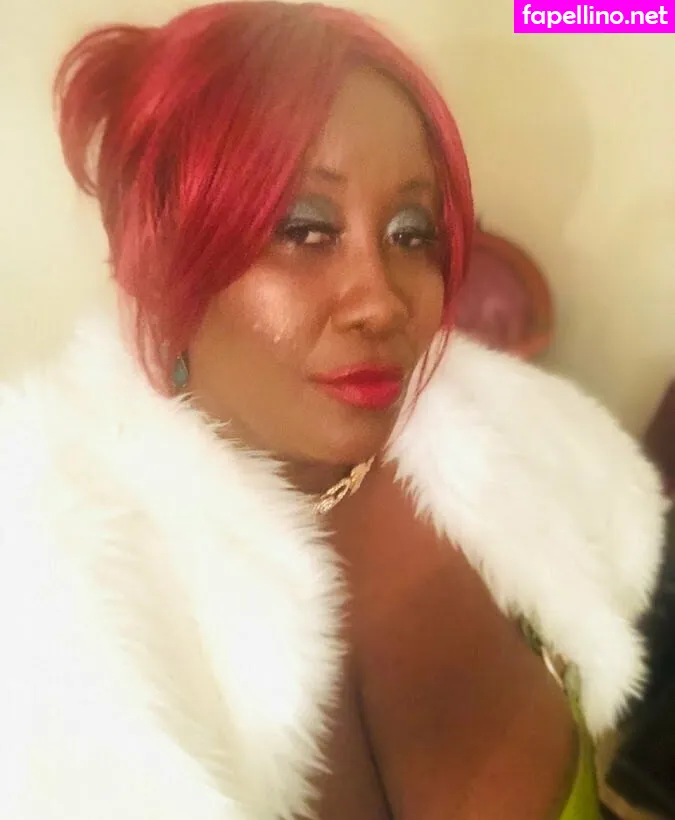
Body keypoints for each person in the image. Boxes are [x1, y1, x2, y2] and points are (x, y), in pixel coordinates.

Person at [0, 3, 667, 819]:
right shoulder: (54, 613)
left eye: (411, 232)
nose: (381, 302)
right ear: (159, 261)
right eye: (304, 228)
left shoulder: (516, 450)